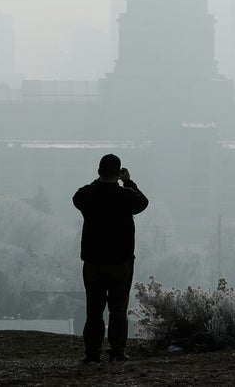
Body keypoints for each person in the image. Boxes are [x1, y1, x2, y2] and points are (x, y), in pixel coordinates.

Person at [73, 154, 148, 363]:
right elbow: (143, 202)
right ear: (118, 173)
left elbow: (77, 197)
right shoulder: (125, 196)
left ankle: (92, 353)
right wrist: (128, 181)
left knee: (94, 310)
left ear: (99, 172)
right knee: (118, 310)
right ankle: (117, 352)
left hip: (93, 261)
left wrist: (99, 182)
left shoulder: (88, 195)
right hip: (121, 261)